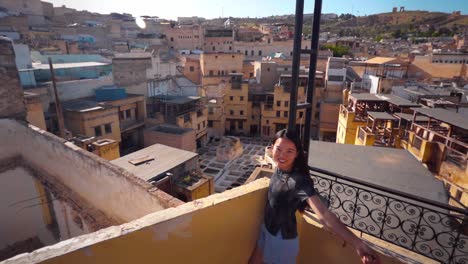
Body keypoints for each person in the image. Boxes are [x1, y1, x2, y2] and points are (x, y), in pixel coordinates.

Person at [249, 129, 380, 264]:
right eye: (279, 149)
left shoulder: (298, 181)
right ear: (272, 148)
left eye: (289, 151)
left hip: (281, 241)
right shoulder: (280, 169)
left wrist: (358, 244)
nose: (282, 155)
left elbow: (323, 213)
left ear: (297, 154)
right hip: (267, 230)